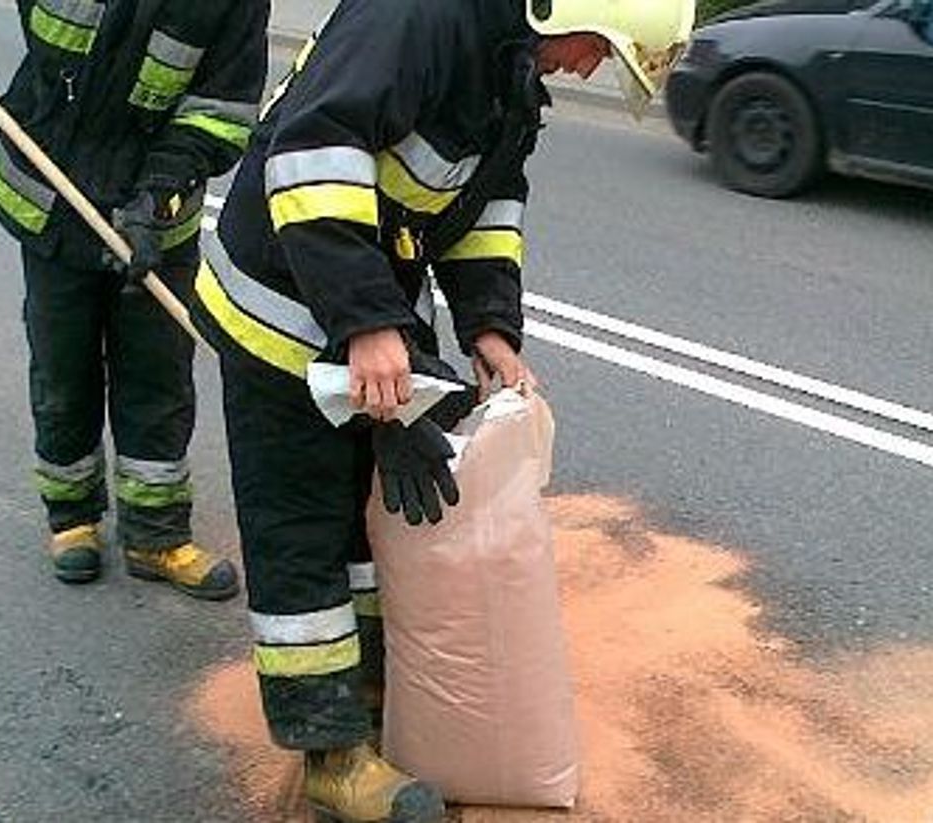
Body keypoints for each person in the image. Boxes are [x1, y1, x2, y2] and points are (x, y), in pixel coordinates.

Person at [190, 0, 694, 819]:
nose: (590, 67)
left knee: (373, 519)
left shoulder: (506, 63)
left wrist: (489, 326)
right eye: (599, 48)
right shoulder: (417, 19)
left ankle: (370, 689)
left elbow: (485, 206)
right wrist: (368, 325)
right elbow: (313, 156)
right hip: (280, 306)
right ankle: (331, 755)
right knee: (302, 530)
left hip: (365, 301)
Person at [0, 0, 270, 598]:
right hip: (49, 200)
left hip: (151, 222)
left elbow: (219, 112)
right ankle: (71, 518)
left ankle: (155, 536)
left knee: (156, 381)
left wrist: (157, 197)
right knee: (63, 372)